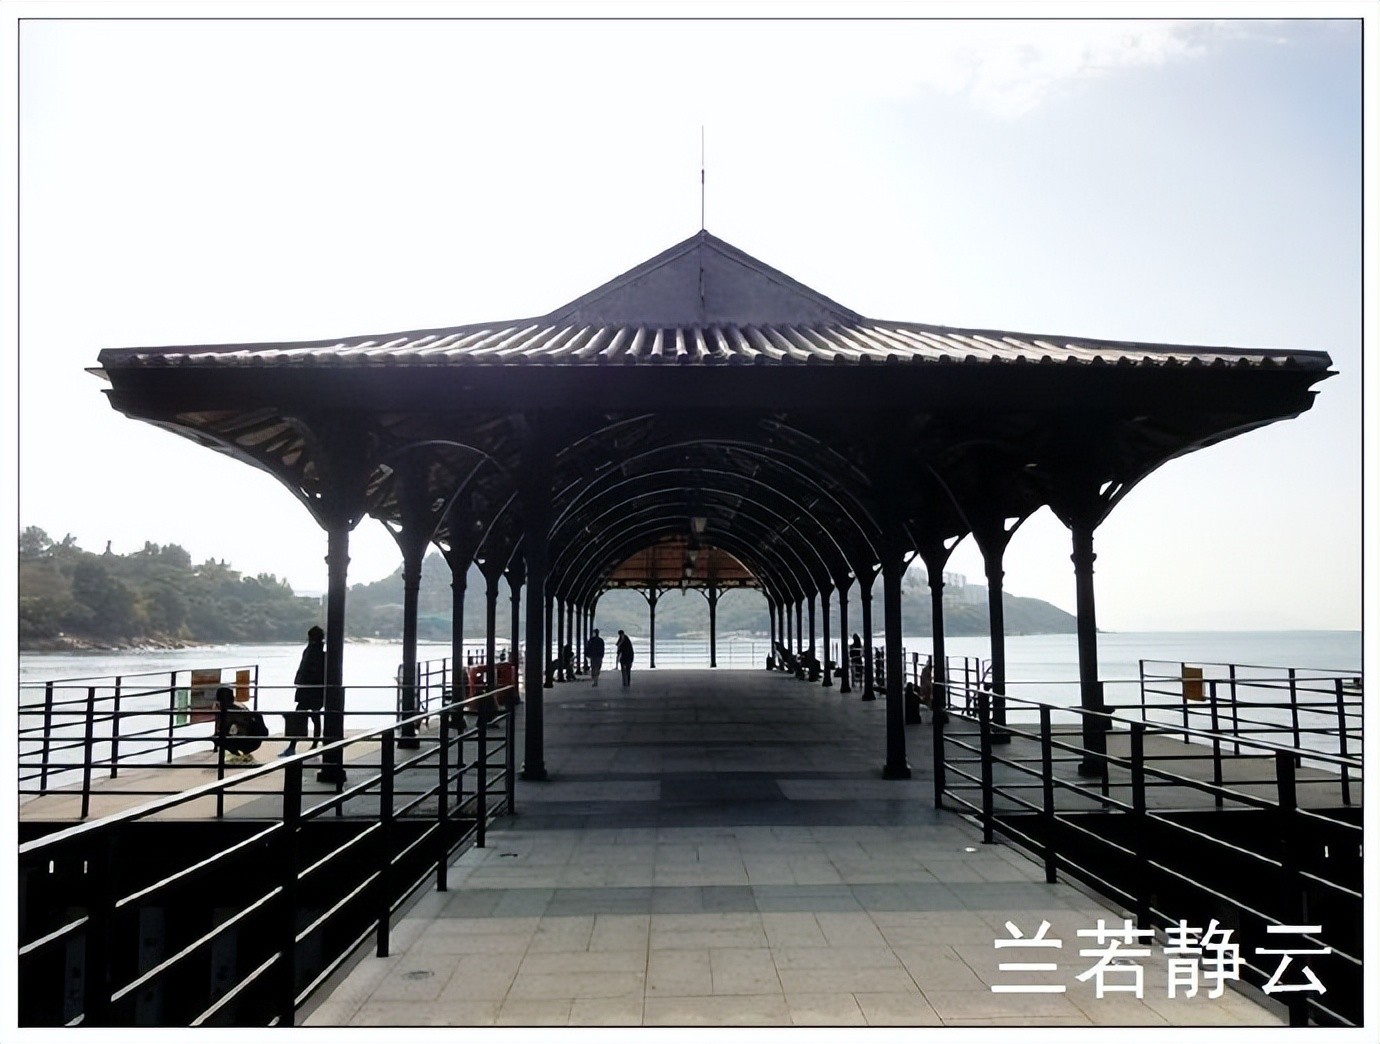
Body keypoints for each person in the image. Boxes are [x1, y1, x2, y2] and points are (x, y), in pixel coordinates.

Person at [281, 625, 325, 757]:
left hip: (308, 689)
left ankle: (294, 746)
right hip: (315, 690)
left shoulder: (311, 651)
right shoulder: (319, 652)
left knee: (300, 716)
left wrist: (299, 681)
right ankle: (313, 744)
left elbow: (305, 669)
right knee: (314, 716)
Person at [213, 687, 268, 765]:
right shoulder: (239, 705)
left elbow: (225, 729)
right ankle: (241, 754)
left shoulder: (229, 711)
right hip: (255, 738)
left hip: (249, 740)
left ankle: (238, 754)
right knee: (221, 736)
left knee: (219, 738)